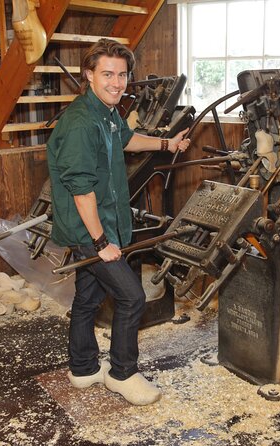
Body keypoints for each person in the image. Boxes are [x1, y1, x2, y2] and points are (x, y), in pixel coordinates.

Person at [46, 38, 191, 406]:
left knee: (87, 298)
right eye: (108, 74)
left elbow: (127, 140)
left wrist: (166, 145)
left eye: (122, 75)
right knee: (132, 297)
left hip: (102, 224)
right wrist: (100, 243)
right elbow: (81, 191)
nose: (117, 82)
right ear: (89, 75)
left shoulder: (107, 112)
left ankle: (82, 369)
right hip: (89, 230)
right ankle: (122, 374)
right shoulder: (81, 122)